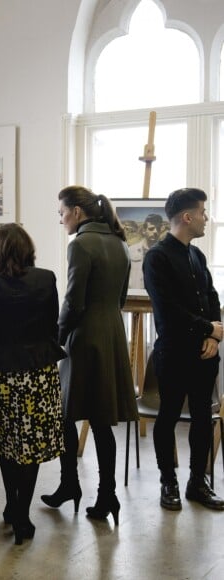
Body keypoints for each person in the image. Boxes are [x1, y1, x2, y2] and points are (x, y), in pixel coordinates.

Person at [0, 223, 66, 545]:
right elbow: (53, 326)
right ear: (27, 249)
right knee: (31, 445)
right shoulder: (46, 278)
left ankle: (12, 506)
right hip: (39, 370)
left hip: (3, 371)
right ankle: (22, 513)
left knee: (8, 441)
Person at [41, 186, 138, 526]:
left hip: (83, 339)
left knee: (68, 415)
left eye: (62, 212)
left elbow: (73, 301)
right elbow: (122, 298)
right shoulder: (120, 243)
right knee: (100, 421)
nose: (61, 218)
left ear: (77, 213)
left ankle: (71, 485)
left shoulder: (80, 244)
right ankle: (107, 494)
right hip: (111, 335)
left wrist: (57, 338)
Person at [143, 188, 224, 511]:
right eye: (204, 212)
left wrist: (214, 337)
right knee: (169, 417)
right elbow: (167, 310)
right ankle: (169, 483)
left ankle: (196, 482)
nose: (207, 218)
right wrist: (207, 329)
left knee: (203, 418)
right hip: (174, 353)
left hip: (204, 353)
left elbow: (212, 297)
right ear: (188, 217)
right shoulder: (157, 257)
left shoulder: (197, 255)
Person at [128, 213, 163, 290]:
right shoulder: (131, 250)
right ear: (144, 231)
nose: (155, 231)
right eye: (151, 228)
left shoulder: (165, 253)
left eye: (158, 228)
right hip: (135, 297)